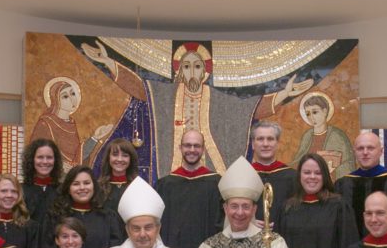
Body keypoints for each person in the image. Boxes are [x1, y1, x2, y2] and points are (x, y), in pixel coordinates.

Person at [82, 40, 312, 177]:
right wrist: (108, 61)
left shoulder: (217, 99)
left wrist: (284, 93)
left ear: (205, 72)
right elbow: (140, 88)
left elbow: (248, 109)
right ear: (179, 71)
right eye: (187, 66)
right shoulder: (166, 94)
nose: (192, 71)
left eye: (197, 66)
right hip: (171, 170)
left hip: (212, 171)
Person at [155, 130, 224, 248]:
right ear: (180, 148)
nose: (192, 150)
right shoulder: (165, 185)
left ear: (203, 149)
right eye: (187, 145)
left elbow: (225, 220)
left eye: (196, 146)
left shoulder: (216, 183)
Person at [39, 165, 123, 248]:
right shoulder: (55, 216)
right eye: (76, 184)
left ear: (94, 186)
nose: (82, 188)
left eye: (87, 183)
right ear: (68, 188)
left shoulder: (108, 217)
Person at [30, 76, 114, 169]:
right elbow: (35, 153)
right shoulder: (46, 124)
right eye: (65, 96)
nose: (71, 99)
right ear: (55, 100)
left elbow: (76, 157)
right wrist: (59, 164)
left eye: (73, 93)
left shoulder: (71, 124)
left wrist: (95, 138)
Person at [336, 132, 387, 235]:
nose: (365, 152)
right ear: (354, 152)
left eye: (370, 148)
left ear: (381, 151)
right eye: (360, 148)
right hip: (353, 247)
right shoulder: (343, 184)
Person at [289, 92, 355, 177]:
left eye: (315, 112)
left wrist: (330, 170)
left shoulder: (338, 136)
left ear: (325, 111)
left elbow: (348, 165)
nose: (311, 117)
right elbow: (298, 160)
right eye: (308, 114)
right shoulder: (307, 135)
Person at [250, 121, 295, 228]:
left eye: (270, 139)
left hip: (284, 238)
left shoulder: (293, 177)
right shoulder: (243, 175)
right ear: (252, 144)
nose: (265, 144)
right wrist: (246, 222)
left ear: (278, 143)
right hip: (249, 239)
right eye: (260, 139)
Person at [21, 139, 61, 225]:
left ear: (55, 160)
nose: (45, 161)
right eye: (40, 157)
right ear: (32, 160)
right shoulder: (20, 191)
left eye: (49, 157)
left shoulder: (62, 191)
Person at [97, 137, 140, 215]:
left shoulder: (138, 187)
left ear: (131, 159)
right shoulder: (98, 188)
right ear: (108, 158)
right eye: (115, 155)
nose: (119, 159)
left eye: (125, 155)